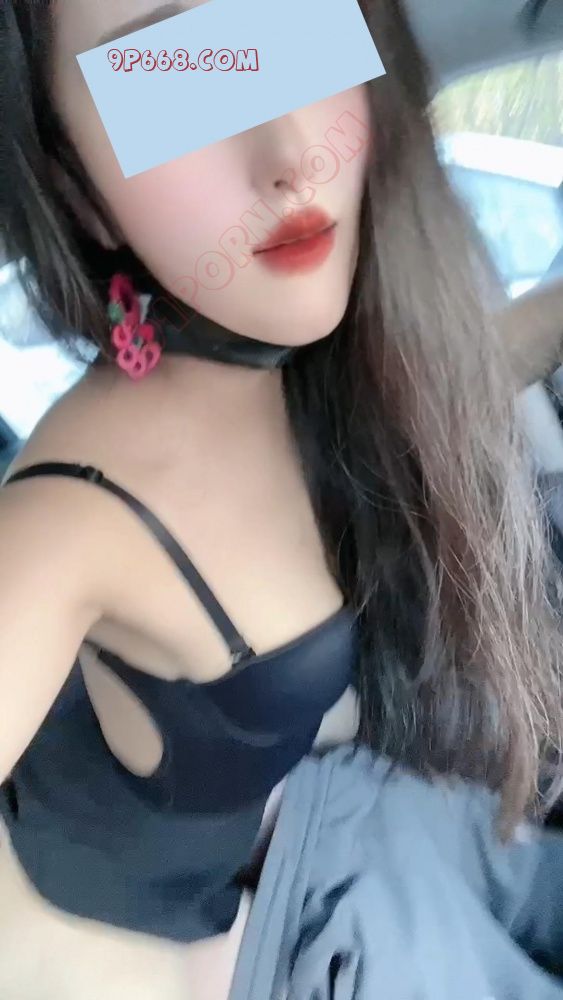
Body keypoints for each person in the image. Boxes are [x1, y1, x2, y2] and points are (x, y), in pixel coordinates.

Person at [1, 2, 563, 999]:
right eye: (173, 80)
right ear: (81, 196)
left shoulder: (286, 355)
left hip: (351, 809)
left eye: (293, 32)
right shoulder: (74, 515)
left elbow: (464, 382)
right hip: (256, 944)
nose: (292, 151)